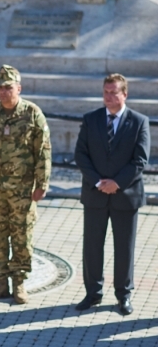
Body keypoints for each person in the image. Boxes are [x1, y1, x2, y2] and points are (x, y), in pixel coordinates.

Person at [0, 65, 51, 304]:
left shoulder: (32, 113)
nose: (4, 92)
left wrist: (42, 182)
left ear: (19, 88)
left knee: (22, 234)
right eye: (0, 88)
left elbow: (43, 151)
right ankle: (0, 280)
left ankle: (19, 281)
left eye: (9, 87)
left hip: (23, 189)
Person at [74, 74, 150, 316]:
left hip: (125, 195)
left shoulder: (139, 122)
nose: (108, 96)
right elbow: (81, 155)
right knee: (92, 246)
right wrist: (98, 182)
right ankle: (93, 293)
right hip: (95, 194)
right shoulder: (91, 119)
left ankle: (123, 295)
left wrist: (117, 183)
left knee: (124, 247)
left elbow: (140, 160)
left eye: (113, 92)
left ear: (124, 94)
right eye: (105, 92)